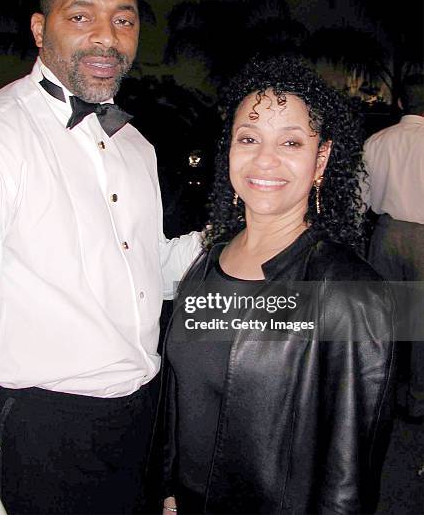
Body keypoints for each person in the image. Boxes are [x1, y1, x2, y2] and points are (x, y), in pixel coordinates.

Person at [0, 0, 200, 515]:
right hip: (38, 436)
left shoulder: (136, 146)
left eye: (123, 20)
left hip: (137, 425)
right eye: (81, 16)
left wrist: (251, 224)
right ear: (39, 28)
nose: (107, 37)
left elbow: (152, 271)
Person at [160, 55, 395, 514]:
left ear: (321, 157)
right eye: (248, 138)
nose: (264, 159)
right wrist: (169, 490)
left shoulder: (348, 291)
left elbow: (350, 468)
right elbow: (181, 399)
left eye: (290, 142)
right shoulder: (207, 262)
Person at [364, 73, 424, 421]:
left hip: (385, 234)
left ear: (400, 103)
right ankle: (417, 399)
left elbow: (360, 196)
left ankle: (379, 393)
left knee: (384, 318)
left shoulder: (377, 141)